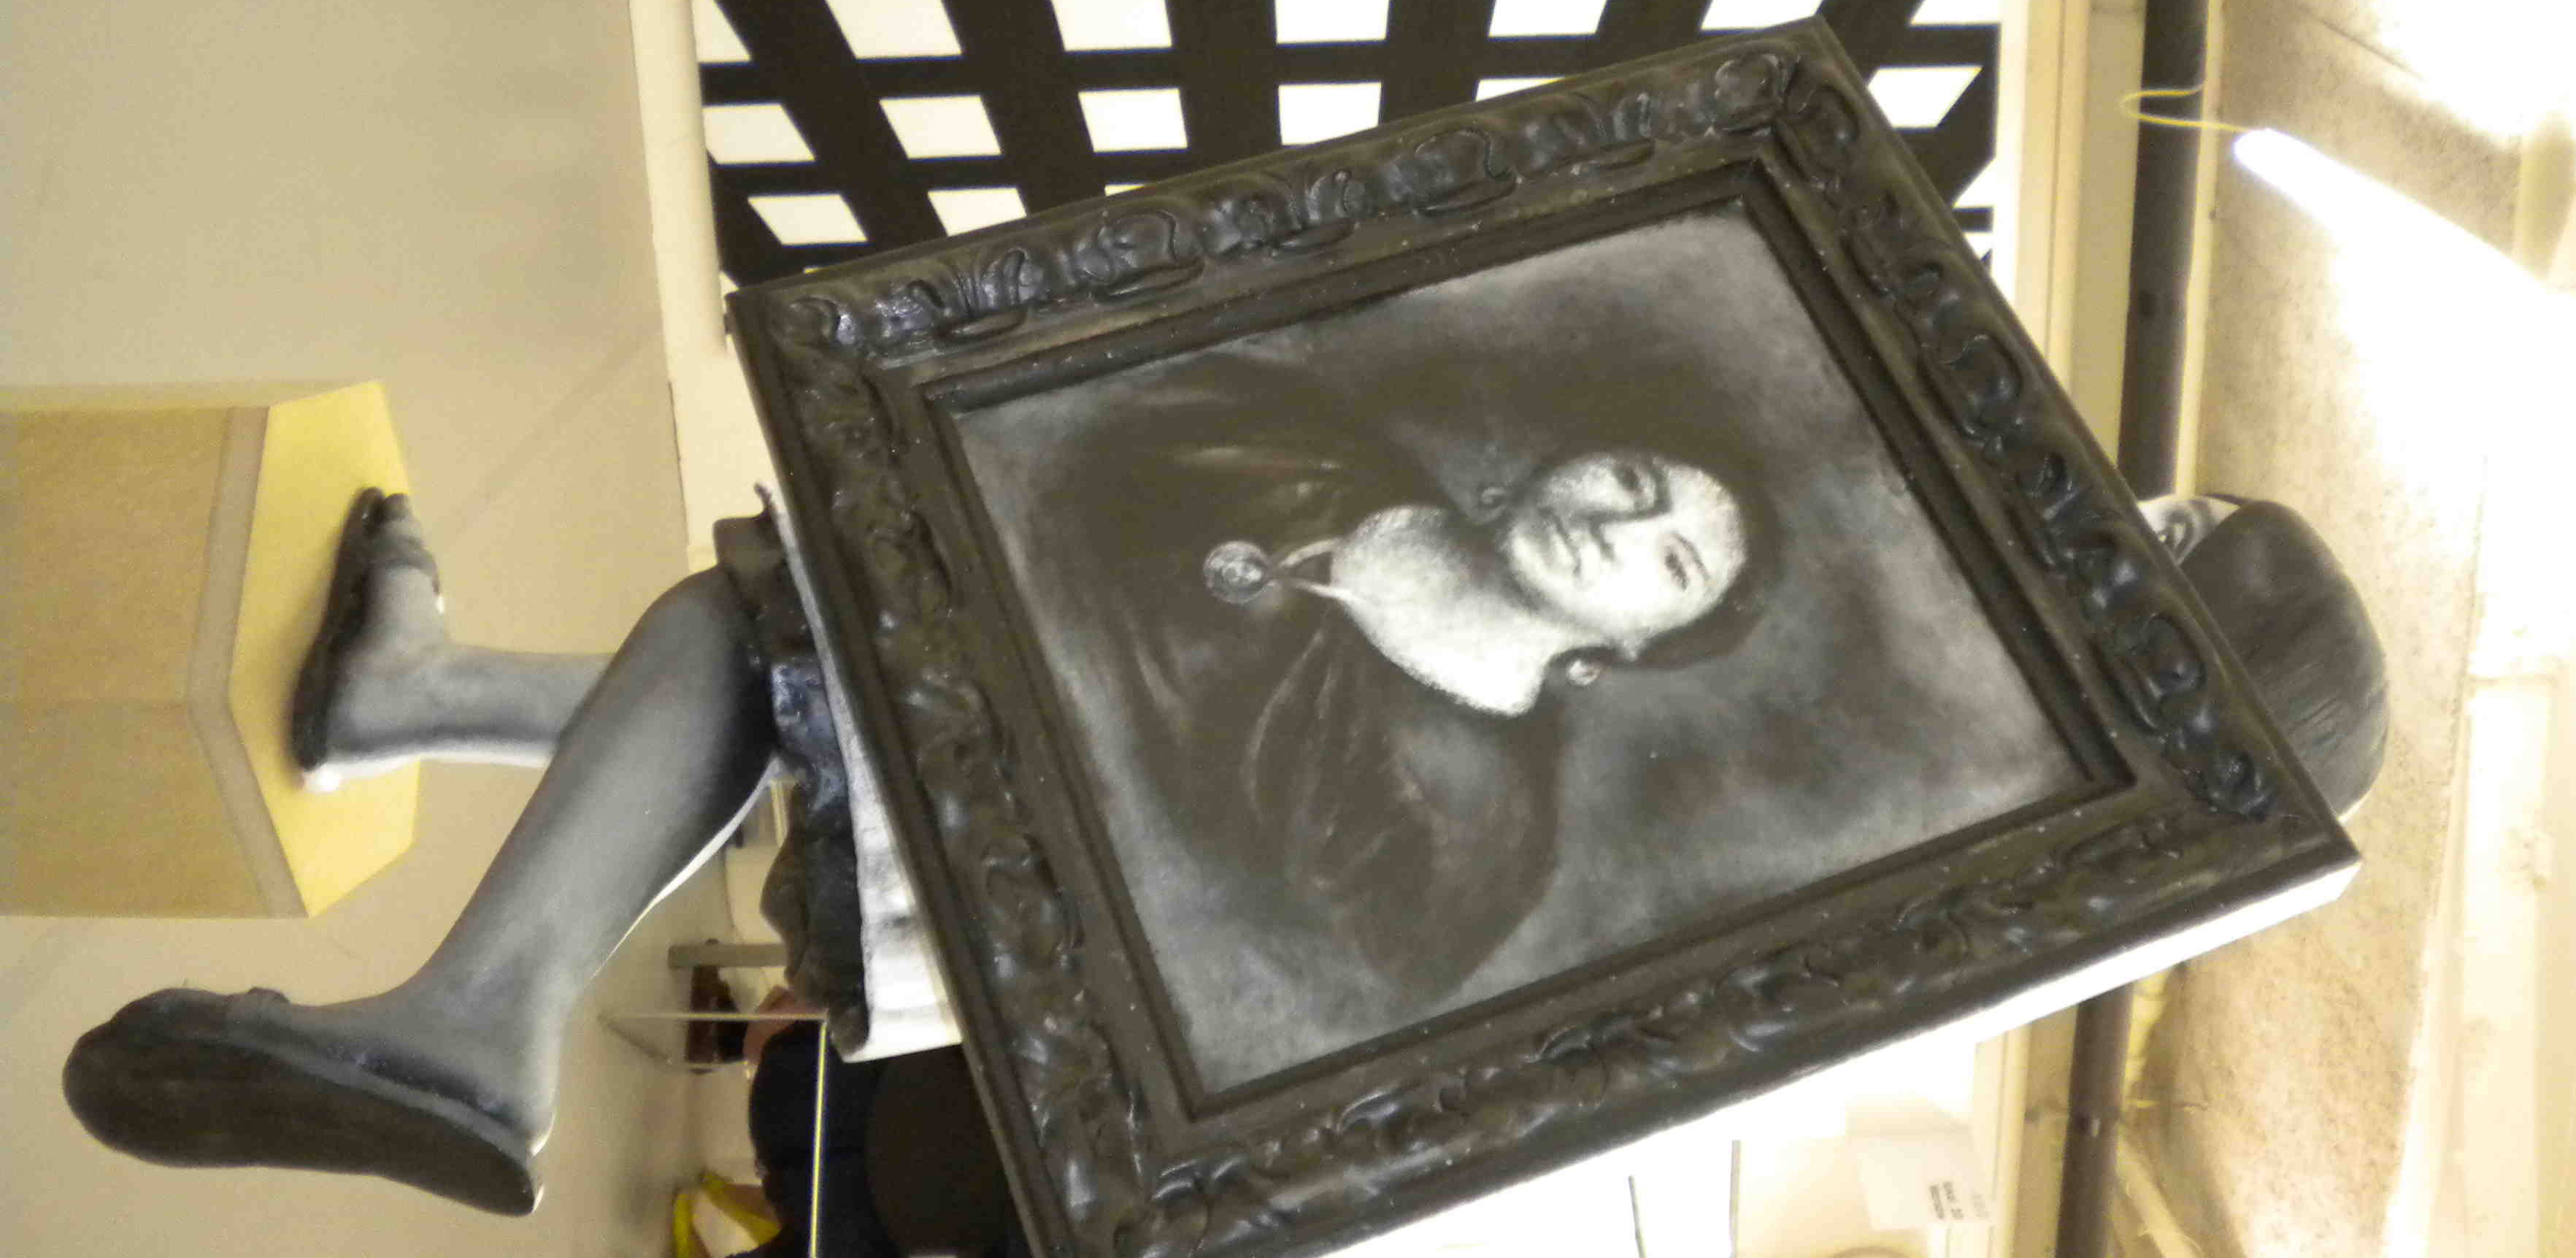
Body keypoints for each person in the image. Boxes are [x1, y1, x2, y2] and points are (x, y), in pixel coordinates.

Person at [60, 478, 2385, 1219]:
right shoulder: (1952, 832)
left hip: (1130, 991)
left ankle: (475, 1025)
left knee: (782, 631)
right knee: (801, 655)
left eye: (2172, 538)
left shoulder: (1890, 762)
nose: (2124, 496)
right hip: (1129, 985)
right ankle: (418, 711)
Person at [1025, 354, 1757, 1009]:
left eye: (1674, 564)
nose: (1614, 528)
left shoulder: (1476, 831)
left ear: (1634, 648)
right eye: (1632, 480)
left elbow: (1270, 988)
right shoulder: (1281, 429)